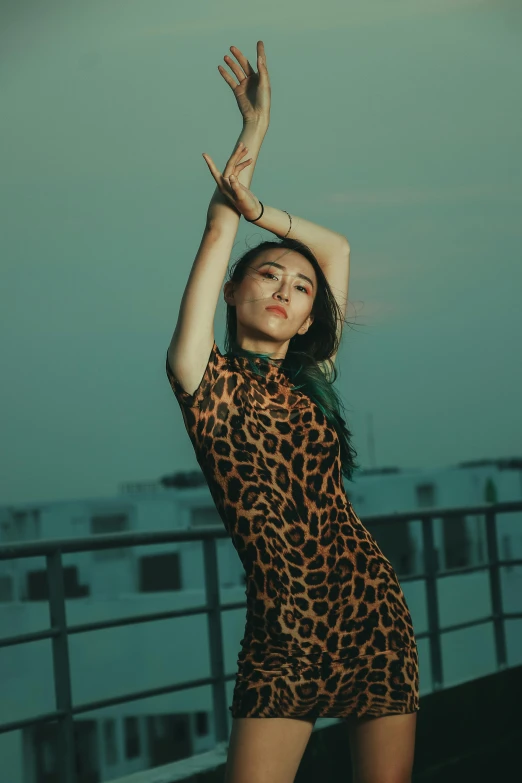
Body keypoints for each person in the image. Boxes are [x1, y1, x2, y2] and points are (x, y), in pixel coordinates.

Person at [166, 40, 419, 783]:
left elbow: (334, 246)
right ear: (234, 293)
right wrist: (253, 137)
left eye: (301, 288)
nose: (284, 288)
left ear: (311, 317)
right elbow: (219, 235)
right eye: (268, 273)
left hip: (370, 607)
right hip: (282, 631)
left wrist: (266, 212)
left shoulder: (312, 377)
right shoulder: (200, 376)